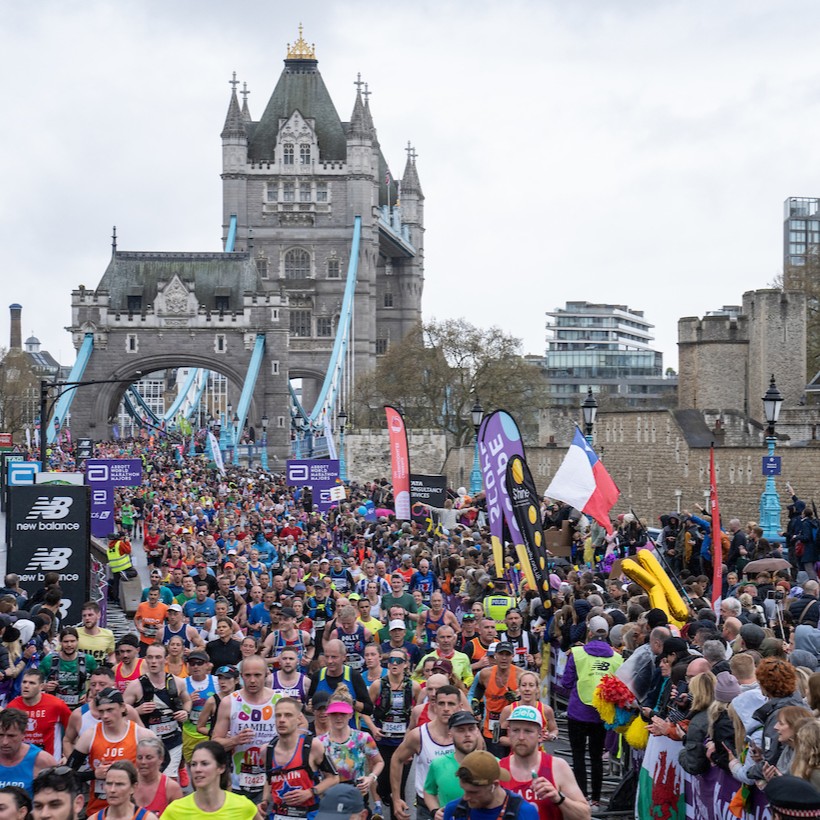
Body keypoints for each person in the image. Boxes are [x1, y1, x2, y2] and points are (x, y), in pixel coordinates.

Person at [559, 616, 622, 806]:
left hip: (578, 712)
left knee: (578, 756)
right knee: (596, 757)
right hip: (602, 714)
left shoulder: (577, 653)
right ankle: (595, 800)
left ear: (589, 633)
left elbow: (566, 682)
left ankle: (581, 797)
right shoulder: (617, 657)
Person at [68, 687, 155, 814]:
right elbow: (67, 774)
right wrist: (94, 775)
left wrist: (139, 775)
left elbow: (163, 761)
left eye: (110, 710)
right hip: (98, 811)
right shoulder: (90, 736)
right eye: (101, 711)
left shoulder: (140, 734)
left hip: (133, 811)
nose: (105, 716)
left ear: (123, 708)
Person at [499, 704, 590, 820]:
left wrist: (559, 798)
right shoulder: (499, 769)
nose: (521, 737)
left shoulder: (557, 766)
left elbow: (585, 816)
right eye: (516, 730)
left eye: (528, 731)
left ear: (540, 735)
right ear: (509, 732)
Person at [212, 654, 280, 803]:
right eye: (248, 675)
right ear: (241, 676)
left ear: (266, 675)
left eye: (257, 675)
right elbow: (215, 743)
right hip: (239, 781)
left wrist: (280, 743)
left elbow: (302, 727)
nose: (252, 680)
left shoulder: (279, 700)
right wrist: (234, 740)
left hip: (273, 781)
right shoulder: (229, 702)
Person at [261, 698, 340, 819]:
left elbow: (334, 778)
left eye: (288, 715)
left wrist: (310, 792)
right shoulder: (267, 750)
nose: (282, 720)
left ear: (299, 719)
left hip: (308, 814)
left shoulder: (312, 746)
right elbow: (269, 779)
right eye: (278, 715)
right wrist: (265, 801)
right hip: (278, 814)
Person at [390, 685, 460, 820]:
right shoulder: (419, 735)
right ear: (434, 705)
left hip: (459, 804)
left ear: (459, 706)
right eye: (441, 703)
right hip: (427, 806)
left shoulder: (469, 736)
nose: (446, 708)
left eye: (451, 704)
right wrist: (396, 798)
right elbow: (397, 759)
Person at [123, 643, 191, 781]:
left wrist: (185, 712)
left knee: (169, 779)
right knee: (148, 779)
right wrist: (137, 711)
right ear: (145, 659)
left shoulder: (178, 682)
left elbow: (188, 700)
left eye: (158, 657)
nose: (154, 661)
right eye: (150, 657)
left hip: (173, 740)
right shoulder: (136, 686)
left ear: (165, 659)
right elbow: (122, 713)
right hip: (147, 742)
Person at [369, 647, 421, 810]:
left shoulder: (414, 687)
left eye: (399, 661)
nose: (394, 664)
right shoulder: (378, 685)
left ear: (406, 664)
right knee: (384, 785)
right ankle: (384, 795)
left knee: (399, 788)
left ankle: (396, 811)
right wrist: (372, 728)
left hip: (403, 743)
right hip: (383, 740)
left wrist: (412, 733)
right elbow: (364, 710)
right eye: (391, 660)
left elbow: (419, 713)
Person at [316, 690, 384, 811]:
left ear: (350, 714)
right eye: (334, 713)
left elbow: (379, 762)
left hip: (357, 798)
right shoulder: (319, 743)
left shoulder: (362, 738)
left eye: (343, 713)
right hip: (330, 800)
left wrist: (370, 778)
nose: (338, 717)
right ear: (328, 714)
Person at [162, 741, 258, 820]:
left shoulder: (243, 806)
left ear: (221, 768)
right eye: (194, 764)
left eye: (204, 763)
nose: (197, 769)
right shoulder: (176, 810)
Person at [442, 751, 538, 820]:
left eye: (473, 792)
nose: (466, 797)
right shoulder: (454, 810)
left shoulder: (524, 813)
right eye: (464, 790)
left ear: (494, 785)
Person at [424, 711, 484, 820]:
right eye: (461, 730)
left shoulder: (493, 764)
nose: (467, 734)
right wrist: (434, 811)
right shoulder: (438, 764)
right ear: (450, 735)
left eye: (471, 729)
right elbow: (429, 791)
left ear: (477, 732)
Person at [306, 640, 373, 730]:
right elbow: (309, 703)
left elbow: (368, 709)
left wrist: (350, 702)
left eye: (334, 657)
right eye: (327, 656)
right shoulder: (317, 676)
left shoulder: (353, 676)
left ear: (344, 657)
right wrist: (310, 705)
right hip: (323, 736)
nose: (329, 661)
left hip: (349, 735)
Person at [7, 668, 71, 759]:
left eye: (32, 683)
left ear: (41, 687)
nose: (26, 686)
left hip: (50, 763)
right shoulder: (12, 706)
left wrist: (66, 755)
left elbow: (73, 731)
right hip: (22, 762)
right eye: (24, 682)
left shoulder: (56, 705)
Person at [472, 642, 520, 757]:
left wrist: (517, 699)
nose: (504, 658)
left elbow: (531, 700)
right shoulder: (485, 674)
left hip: (512, 725)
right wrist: (475, 706)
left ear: (512, 656)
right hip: (492, 726)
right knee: (495, 762)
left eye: (507, 655)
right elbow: (477, 694)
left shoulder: (520, 675)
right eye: (501, 654)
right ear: (495, 656)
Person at [0, 709, 59, 792]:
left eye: (11, 736)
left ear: (24, 734)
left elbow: (59, 796)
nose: (4, 742)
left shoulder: (42, 760)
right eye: (1, 735)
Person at [41, 627, 98, 709]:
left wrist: (89, 694)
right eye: (66, 642)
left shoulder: (88, 660)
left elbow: (99, 680)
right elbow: (35, 681)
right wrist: (45, 686)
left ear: (77, 641)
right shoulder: (49, 660)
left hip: (80, 706)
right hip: (54, 707)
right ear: (60, 642)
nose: (69, 645)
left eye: (72, 641)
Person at [499, 671, 558, 749]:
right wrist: (520, 742)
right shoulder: (508, 710)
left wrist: (551, 736)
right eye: (523, 685)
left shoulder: (546, 710)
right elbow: (499, 738)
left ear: (537, 689)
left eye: (531, 685)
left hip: (539, 756)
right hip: (515, 757)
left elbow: (554, 729)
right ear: (519, 688)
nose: (527, 689)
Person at [181, 649, 218, 765]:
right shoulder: (181, 683)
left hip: (209, 732)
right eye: (192, 663)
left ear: (207, 665)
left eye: (199, 663)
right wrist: (188, 701)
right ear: (187, 666)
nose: (196, 666)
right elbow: (176, 709)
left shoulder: (216, 681)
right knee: (192, 767)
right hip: (189, 733)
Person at [134, 736, 183, 816]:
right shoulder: (128, 783)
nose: (143, 762)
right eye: (139, 758)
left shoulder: (171, 788)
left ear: (160, 759)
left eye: (148, 758)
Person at [94, 761, 160, 820]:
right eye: (109, 783)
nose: (112, 790)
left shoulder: (147, 818)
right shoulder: (94, 818)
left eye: (119, 784)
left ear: (133, 787)